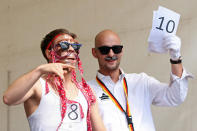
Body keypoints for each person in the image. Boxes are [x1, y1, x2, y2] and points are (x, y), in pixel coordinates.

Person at [88, 29, 192, 131]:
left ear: (122, 51)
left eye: (116, 49)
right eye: (104, 50)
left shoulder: (141, 81)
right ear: (94, 52)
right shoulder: (86, 90)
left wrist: (176, 57)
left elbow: (175, 97)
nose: (111, 54)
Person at [3, 28, 106, 131]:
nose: (71, 49)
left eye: (75, 46)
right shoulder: (39, 85)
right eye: (63, 45)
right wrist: (40, 70)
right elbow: (8, 98)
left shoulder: (86, 91)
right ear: (49, 53)